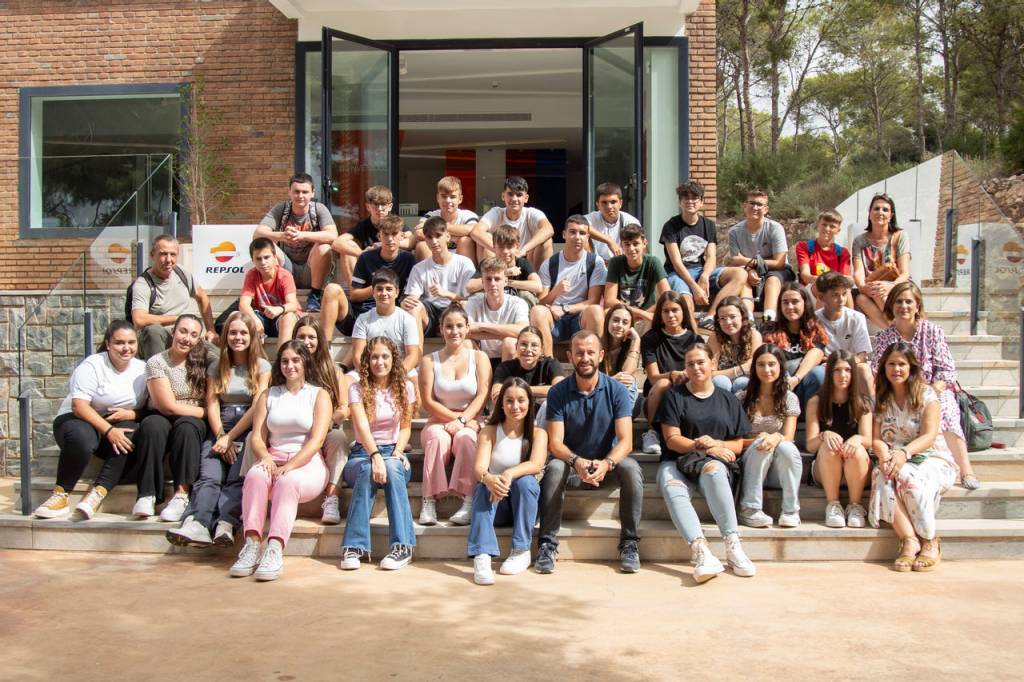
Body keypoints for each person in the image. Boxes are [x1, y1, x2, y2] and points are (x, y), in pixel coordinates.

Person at [536, 330, 641, 574]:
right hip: (572, 466)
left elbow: (626, 442)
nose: (585, 358)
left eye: (590, 352)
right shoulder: (558, 392)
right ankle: (547, 544)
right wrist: (577, 461)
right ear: (570, 356)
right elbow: (556, 444)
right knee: (554, 467)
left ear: (601, 355)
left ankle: (629, 544)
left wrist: (606, 463)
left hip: (607, 466)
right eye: (579, 353)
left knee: (632, 468)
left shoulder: (617, 390)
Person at [655, 342, 756, 583]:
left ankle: (733, 545)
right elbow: (671, 439)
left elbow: (738, 443)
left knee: (714, 470)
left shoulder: (728, 400)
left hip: (712, 463)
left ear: (712, 364)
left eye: (701, 362)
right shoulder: (674, 396)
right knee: (671, 485)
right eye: (690, 364)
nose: (696, 367)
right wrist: (704, 445)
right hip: (678, 460)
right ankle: (701, 552)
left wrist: (716, 446)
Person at [167, 312, 271, 547]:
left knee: (236, 478)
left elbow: (257, 406)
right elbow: (212, 402)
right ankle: (198, 524)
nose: (238, 337)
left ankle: (225, 523)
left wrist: (231, 438)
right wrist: (221, 436)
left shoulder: (262, 366)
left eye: (243, 332)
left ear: (252, 336)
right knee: (210, 476)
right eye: (233, 332)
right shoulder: (217, 365)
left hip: (248, 427)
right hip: (220, 424)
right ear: (226, 336)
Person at [230, 341, 331, 581]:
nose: (290, 365)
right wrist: (265, 457)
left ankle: (275, 548)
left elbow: (317, 441)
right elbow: (257, 436)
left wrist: (288, 466)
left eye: (296, 360)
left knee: (287, 481)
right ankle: (253, 544)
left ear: (306, 362)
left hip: (306, 463)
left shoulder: (319, 394)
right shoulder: (269, 394)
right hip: (273, 456)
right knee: (255, 475)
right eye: (285, 361)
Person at [33, 321, 147, 520]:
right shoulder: (93, 365)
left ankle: (97, 493)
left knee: (130, 434)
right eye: (119, 342)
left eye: (131, 342)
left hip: (115, 423)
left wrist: (133, 415)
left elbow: (150, 407)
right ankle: (61, 495)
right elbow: (79, 406)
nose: (126, 348)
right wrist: (109, 431)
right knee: (83, 438)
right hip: (77, 419)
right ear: (108, 344)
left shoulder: (143, 369)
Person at [871, 281, 979, 489]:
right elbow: (877, 368)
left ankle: (966, 470)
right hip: (896, 390)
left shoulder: (932, 331)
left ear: (918, 305)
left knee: (945, 406)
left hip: (932, 389)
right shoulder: (884, 337)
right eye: (899, 302)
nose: (904, 306)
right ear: (892, 306)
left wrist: (929, 391)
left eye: (909, 301)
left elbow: (946, 370)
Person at [869, 342, 958, 572]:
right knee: (881, 474)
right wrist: (885, 455)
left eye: (901, 364)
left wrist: (903, 453)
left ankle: (930, 540)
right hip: (895, 457)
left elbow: (929, 436)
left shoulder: (927, 395)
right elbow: (876, 438)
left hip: (931, 458)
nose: (896, 369)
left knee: (906, 475)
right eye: (891, 364)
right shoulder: (882, 398)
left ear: (911, 368)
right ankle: (909, 539)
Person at [339, 337, 419, 571]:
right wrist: (375, 456)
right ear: (366, 360)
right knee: (366, 471)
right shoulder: (356, 388)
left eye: (385, 356)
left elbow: (406, 427)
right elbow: (362, 427)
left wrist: (396, 452)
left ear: (394, 359)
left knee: (394, 467)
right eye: (374, 356)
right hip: (363, 452)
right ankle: (355, 547)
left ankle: (403, 546)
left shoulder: (406, 387)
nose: (379, 361)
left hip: (393, 449)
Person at [467, 377, 548, 585]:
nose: (515, 406)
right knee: (483, 487)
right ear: (501, 404)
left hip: (523, 506)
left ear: (529, 403)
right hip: (496, 505)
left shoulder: (538, 433)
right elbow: (479, 468)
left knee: (527, 482)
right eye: (509, 401)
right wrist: (489, 479)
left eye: (521, 400)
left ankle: (521, 550)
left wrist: (509, 474)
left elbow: (536, 464)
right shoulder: (489, 431)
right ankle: (482, 556)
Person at [418, 305, 492, 526]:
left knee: (466, 438)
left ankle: (468, 499)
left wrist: (462, 420)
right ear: (441, 329)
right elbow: (428, 401)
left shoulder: (479, 357)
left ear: (468, 328)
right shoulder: (429, 361)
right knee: (437, 438)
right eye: (448, 326)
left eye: (459, 326)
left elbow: (483, 395)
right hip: (438, 419)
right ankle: (428, 500)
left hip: (471, 419)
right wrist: (452, 419)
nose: (454, 331)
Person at [131, 314, 209, 522]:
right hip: (167, 413)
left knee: (187, 428)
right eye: (183, 331)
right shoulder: (157, 362)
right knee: (151, 426)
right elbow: (167, 406)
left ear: (199, 339)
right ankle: (147, 494)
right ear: (173, 332)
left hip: (192, 420)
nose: (187, 339)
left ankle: (181, 495)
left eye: (193, 335)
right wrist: (206, 412)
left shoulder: (205, 361)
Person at [660, 180, 745, 328]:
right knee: (684, 298)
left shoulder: (708, 225)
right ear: (680, 202)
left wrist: (705, 276)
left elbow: (711, 256)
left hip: (700, 270)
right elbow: (676, 263)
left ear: (701, 202)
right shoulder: (671, 226)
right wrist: (695, 287)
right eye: (686, 198)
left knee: (740, 274)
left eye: (695, 198)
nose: (690, 201)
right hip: (678, 273)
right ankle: (691, 333)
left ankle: (710, 316)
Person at [291, 316, 350, 526]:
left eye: (311, 337)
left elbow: (344, 407)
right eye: (301, 336)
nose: (306, 341)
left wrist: (325, 423)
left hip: (326, 431)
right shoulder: (288, 366)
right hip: (293, 432)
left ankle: (332, 498)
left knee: (339, 436)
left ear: (320, 340)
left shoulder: (333, 370)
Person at [736, 344, 803, 528]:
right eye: (761, 364)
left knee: (787, 447)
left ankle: (790, 510)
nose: (767, 370)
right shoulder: (741, 398)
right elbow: (734, 441)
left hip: (777, 468)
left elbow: (788, 435)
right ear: (754, 368)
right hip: (750, 463)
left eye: (772, 364)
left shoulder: (789, 398)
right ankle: (749, 508)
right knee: (762, 445)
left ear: (781, 366)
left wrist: (775, 437)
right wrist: (760, 439)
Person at [806, 350, 873, 529]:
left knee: (857, 449)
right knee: (829, 447)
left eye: (847, 370)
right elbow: (811, 445)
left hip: (856, 467)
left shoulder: (863, 403)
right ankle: (833, 505)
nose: (843, 375)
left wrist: (857, 438)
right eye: (837, 370)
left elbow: (869, 440)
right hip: (825, 467)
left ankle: (855, 506)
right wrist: (824, 435)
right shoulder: (816, 402)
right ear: (829, 373)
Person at [253, 173, 338, 312]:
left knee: (324, 247)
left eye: (305, 192)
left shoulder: (319, 209)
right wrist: (282, 235)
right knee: (266, 246)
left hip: (311, 270)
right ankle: (275, 293)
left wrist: (302, 235)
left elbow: (333, 235)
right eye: (296, 192)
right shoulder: (281, 209)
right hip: (287, 268)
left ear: (312, 193)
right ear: (289, 192)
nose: (300, 196)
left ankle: (315, 296)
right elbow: (257, 235)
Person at [324, 214, 416, 339]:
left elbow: (408, 294)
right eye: (385, 234)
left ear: (402, 236)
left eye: (394, 234)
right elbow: (355, 295)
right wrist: (378, 286)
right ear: (379, 236)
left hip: (391, 316)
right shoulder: (366, 257)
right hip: (360, 314)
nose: (390, 239)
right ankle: (325, 346)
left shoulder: (408, 259)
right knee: (331, 289)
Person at [529, 215, 607, 356]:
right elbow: (541, 302)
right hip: (555, 320)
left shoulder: (596, 262)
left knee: (596, 311)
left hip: (579, 319)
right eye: (572, 232)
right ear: (564, 234)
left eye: (582, 233)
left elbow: (593, 301)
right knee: (537, 312)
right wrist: (556, 292)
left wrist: (564, 308)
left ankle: (592, 363)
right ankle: (548, 364)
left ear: (588, 237)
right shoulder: (550, 263)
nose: (577, 237)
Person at [129, 234, 217, 359]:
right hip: (163, 339)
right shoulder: (143, 283)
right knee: (153, 331)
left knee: (218, 358)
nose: (169, 259)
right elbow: (139, 320)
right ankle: (157, 373)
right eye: (163, 254)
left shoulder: (181, 273)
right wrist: (179, 319)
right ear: (152, 254)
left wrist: (210, 330)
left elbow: (202, 297)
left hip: (190, 335)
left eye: (173, 254)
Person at [639, 291, 699, 455]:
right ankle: (652, 432)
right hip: (658, 394)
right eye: (666, 311)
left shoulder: (695, 340)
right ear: (660, 314)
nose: (670, 315)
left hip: (686, 393)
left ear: (683, 312)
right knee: (663, 383)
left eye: (675, 310)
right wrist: (672, 375)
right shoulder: (650, 338)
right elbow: (653, 377)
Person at [725, 189, 795, 322]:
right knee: (743, 278)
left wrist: (747, 262)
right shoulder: (734, 232)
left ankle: (768, 318)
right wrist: (749, 269)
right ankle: (748, 320)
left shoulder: (775, 228)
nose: (755, 208)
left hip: (778, 271)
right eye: (751, 203)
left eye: (759, 204)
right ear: (744, 206)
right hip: (749, 270)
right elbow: (735, 261)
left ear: (766, 209)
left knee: (772, 279)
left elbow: (779, 262)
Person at [401, 216, 476, 337]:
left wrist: (445, 293)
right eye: (429, 237)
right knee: (413, 307)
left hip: (455, 309)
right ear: (425, 240)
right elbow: (413, 298)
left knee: (465, 305)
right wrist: (406, 302)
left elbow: (470, 301)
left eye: (438, 236)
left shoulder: (464, 263)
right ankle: (415, 353)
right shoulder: (419, 268)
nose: (434, 241)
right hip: (431, 313)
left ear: (447, 236)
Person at [761, 282, 828, 409]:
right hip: (776, 387)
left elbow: (817, 353)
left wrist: (795, 379)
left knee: (819, 373)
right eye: (785, 302)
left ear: (805, 303)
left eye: (795, 301)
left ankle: (809, 418)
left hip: (802, 386)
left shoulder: (814, 327)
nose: (790, 307)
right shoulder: (769, 328)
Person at [851, 192, 911, 329]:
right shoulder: (859, 241)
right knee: (860, 298)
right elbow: (858, 272)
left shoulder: (900, 236)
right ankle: (896, 331)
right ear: (870, 213)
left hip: (898, 285)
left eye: (885, 209)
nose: (880, 212)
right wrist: (862, 287)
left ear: (891, 215)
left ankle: (899, 330)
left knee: (878, 288)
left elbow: (905, 272)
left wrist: (891, 285)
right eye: (876, 208)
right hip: (872, 287)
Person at [332, 185, 411, 288]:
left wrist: (384, 245)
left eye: (383, 205)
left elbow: (411, 240)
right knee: (348, 247)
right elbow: (337, 243)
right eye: (375, 205)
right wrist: (362, 253)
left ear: (390, 206)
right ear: (368, 207)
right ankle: (355, 291)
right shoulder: (363, 226)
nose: (380, 209)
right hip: (370, 271)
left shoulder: (396, 223)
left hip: (393, 271)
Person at [348, 269, 423, 374]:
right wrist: (369, 377)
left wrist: (396, 377)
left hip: (400, 370)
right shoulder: (362, 319)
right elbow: (357, 355)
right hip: (371, 371)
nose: (384, 293)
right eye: (379, 289)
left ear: (397, 292)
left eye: (388, 289)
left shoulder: (407, 319)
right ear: (373, 292)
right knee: (345, 380)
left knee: (415, 382)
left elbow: (412, 355)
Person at [471, 176, 555, 269]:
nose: (514, 199)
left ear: (526, 198)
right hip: (500, 258)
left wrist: (523, 250)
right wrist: (502, 251)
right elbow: (476, 231)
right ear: (503, 196)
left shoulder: (532, 213)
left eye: (519, 195)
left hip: (525, 259)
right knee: (484, 238)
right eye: (510, 194)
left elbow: (548, 229)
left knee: (546, 241)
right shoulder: (496, 212)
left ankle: (539, 280)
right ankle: (492, 278)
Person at [814, 271, 874, 397]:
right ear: (821, 297)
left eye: (844, 294)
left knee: (864, 369)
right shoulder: (814, 320)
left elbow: (862, 354)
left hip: (851, 364)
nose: (841, 300)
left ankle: (874, 411)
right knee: (816, 374)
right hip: (826, 366)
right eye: (835, 295)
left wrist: (844, 364)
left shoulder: (857, 317)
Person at [465, 257, 529, 368]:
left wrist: (482, 326)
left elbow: (523, 331)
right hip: (482, 357)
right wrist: (502, 335)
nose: (493, 283)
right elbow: (466, 330)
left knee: (509, 342)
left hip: (511, 357)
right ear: (482, 282)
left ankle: (505, 383)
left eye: (497, 279)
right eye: (488, 279)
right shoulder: (473, 302)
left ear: (505, 281)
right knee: (465, 343)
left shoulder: (518, 303)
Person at [603, 223, 670, 328]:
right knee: (604, 313)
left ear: (644, 243)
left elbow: (667, 296)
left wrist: (645, 314)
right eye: (627, 244)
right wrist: (640, 313)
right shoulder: (615, 262)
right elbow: (609, 300)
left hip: (648, 313)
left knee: (663, 314)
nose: (631, 248)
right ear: (621, 245)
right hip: (623, 314)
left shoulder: (653, 262)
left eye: (635, 243)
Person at [237, 237, 301, 343]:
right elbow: (243, 304)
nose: (263, 262)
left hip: (283, 317)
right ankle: (255, 359)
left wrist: (278, 309)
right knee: (239, 317)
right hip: (264, 319)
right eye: (258, 258)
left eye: (267, 257)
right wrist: (255, 321)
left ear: (275, 258)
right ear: (253, 260)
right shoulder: (252, 275)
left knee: (288, 317)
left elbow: (293, 305)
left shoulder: (284, 275)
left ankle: (282, 357)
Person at [464, 224, 543, 308]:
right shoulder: (488, 264)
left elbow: (538, 287)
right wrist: (504, 273)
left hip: (516, 308)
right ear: (494, 247)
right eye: (501, 247)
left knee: (525, 295)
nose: (505, 251)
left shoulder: (522, 263)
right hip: (492, 307)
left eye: (509, 247)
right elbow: (470, 286)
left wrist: (507, 282)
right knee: (477, 296)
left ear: (517, 246)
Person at [489, 326, 566, 406]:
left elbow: (561, 390)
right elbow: (496, 396)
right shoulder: (505, 367)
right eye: (523, 344)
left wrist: (519, 390)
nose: (528, 349)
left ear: (541, 349)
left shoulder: (551, 364)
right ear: (516, 346)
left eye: (534, 345)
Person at [412, 176, 479, 262]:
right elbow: (419, 233)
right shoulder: (431, 215)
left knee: (466, 240)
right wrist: (454, 237)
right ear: (438, 198)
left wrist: (440, 228)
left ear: (460, 199)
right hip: (437, 258)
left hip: (459, 260)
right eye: (444, 196)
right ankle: (431, 275)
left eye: (452, 197)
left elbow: (471, 230)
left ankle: (466, 275)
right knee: (422, 245)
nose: (448, 200)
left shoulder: (468, 215)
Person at [796, 209, 852, 308]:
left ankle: (850, 321)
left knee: (846, 289)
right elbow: (805, 275)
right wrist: (824, 281)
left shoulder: (842, 252)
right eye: (824, 224)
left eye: (832, 226)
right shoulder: (804, 247)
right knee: (821, 286)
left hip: (835, 292)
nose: (827, 229)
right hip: (811, 292)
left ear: (838, 230)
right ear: (818, 225)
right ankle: (820, 322)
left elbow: (844, 278)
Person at [708, 295, 762, 394]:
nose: (728, 322)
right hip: (722, 384)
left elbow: (752, 367)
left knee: (741, 382)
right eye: (722, 318)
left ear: (742, 316)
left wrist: (735, 372)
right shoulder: (715, 337)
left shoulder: (754, 335)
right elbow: (710, 373)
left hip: (745, 383)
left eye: (732, 317)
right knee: (720, 381)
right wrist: (740, 370)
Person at [601, 303, 643, 409]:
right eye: (615, 320)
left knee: (630, 383)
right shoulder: (596, 345)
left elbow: (626, 373)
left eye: (625, 322)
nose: (620, 325)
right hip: (599, 397)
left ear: (630, 327)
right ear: (607, 322)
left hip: (622, 401)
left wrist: (636, 340)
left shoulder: (630, 347)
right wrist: (613, 380)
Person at [585, 181, 639, 262]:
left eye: (613, 202)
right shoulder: (591, 218)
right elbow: (577, 225)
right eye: (604, 202)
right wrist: (609, 241)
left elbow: (639, 247)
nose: (609, 206)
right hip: (596, 265)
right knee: (581, 236)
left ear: (620, 203)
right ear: (597, 205)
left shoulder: (630, 221)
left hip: (623, 264)